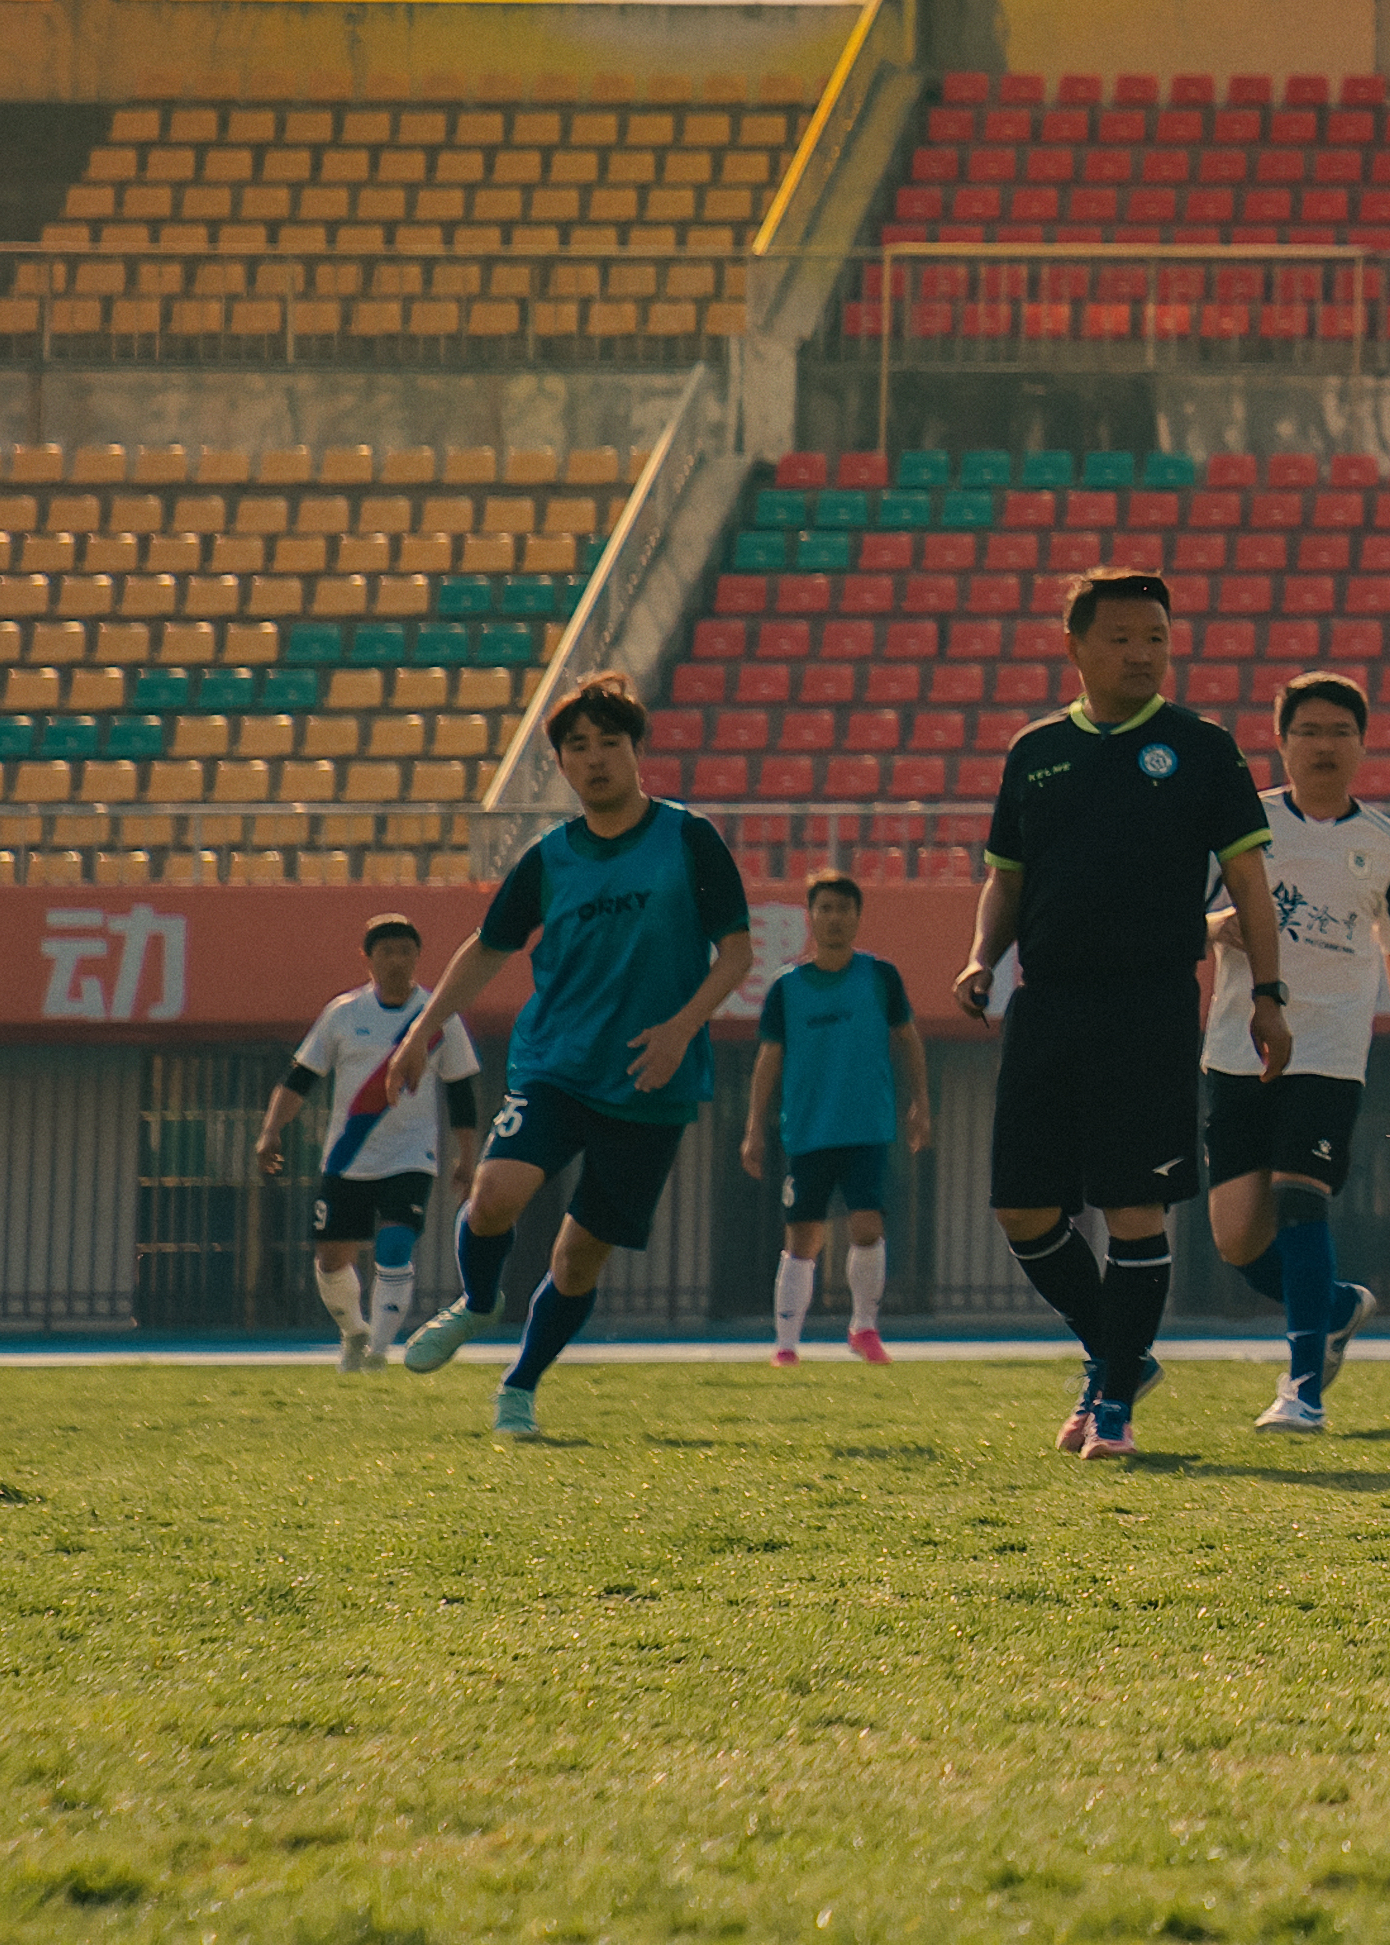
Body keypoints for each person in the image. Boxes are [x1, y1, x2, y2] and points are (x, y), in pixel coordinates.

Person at [961, 568, 1289, 1462]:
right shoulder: (1034, 749)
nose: (1143, 652)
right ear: (1075, 646)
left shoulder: (1203, 747)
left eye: (1157, 636)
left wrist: (1268, 993)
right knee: (1023, 1209)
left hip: (1147, 1003)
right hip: (1047, 1002)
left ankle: (1111, 1404)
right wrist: (983, 956)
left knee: (1134, 1206)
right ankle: (1120, 1351)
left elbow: (1251, 882)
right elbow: (1007, 875)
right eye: (1122, 637)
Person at [384, 679, 756, 1437]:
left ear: (637, 750)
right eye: (576, 747)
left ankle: (519, 1384)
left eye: (608, 742)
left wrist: (683, 1027)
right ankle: (479, 1300)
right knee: (492, 1195)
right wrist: (424, 1028)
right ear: (559, 763)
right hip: (557, 1062)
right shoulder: (549, 858)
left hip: (653, 1079)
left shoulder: (689, 838)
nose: (594, 759)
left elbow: (739, 952)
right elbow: (488, 949)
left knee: (580, 1257)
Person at [1202, 672, 1390, 1435]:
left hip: (1331, 1050)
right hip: (1238, 1048)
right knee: (1237, 1238)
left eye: (1341, 730)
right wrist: (1214, 926)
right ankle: (1336, 1304)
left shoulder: (1384, 844)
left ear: (1363, 743)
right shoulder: (1244, 824)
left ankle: (1302, 1388)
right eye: (1309, 730)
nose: (1325, 744)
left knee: (1302, 1197)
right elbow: (1184, 914)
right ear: (1281, 740)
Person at [256, 916, 478, 1369]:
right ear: (368, 959)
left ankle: (377, 1352)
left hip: (411, 1155)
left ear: (418, 957)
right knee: (331, 1259)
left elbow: (461, 1090)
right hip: (347, 1156)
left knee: (396, 1245)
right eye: (386, 952)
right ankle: (354, 1332)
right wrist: (271, 1130)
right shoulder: (344, 1012)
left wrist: (467, 1155)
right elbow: (300, 1077)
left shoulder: (438, 1015)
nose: (396, 960)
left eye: (405, 951)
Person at [744, 869, 927, 1366]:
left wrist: (920, 1104)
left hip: (867, 1127)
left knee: (867, 1225)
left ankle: (864, 1328)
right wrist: (754, 1127)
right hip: (807, 1130)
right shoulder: (787, 987)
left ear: (858, 916)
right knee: (803, 1238)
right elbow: (769, 1059)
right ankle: (785, 1346)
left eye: (844, 909)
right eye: (824, 908)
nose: (834, 918)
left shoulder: (880, 977)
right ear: (810, 916)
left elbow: (908, 1039)